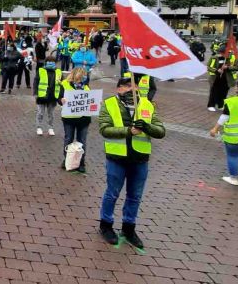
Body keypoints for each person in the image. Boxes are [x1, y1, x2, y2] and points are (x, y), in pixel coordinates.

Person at [98, 77, 165, 248]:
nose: (132, 90)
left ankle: (129, 229)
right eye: (128, 86)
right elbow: (104, 129)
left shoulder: (147, 105)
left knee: (135, 196)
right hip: (117, 157)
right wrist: (129, 131)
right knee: (112, 193)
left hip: (140, 158)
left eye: (135, 87)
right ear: (119, 88)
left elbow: (160, 130)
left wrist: (147, 127)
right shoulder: (110, 103)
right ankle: (106, 225)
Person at [59, 68, 91, 173]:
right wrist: (61, 100)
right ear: (75, 75)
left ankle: (81, 163)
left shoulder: (86, 86)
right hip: (69, 118)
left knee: (82, 141)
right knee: (68, 139)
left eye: (84, 75)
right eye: (82, 75)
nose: (83, 77)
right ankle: (67, 160)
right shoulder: (64, 84)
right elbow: (59, 98)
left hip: (84, 118)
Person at [34, 55, 60, 136]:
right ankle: (39, 127)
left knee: (51, 114)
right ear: (46, 62)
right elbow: (36, 82)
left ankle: (50, 128)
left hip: (53, 96)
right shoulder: (41, 70)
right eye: (49, 61)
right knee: (40, 113)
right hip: (42, 96)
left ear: (55, 63)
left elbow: (62, 84)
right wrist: (35, 93)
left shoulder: (58, 71)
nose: (50, 63)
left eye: (52, 62)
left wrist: (61, 96)